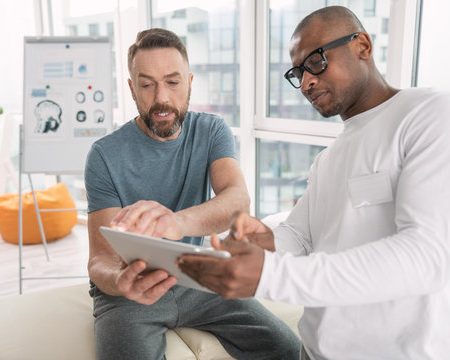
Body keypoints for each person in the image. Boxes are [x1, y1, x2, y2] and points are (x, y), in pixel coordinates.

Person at [178, 6, 450, 360]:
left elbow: (426, 258)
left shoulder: (433, 116)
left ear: (363, 46)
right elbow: (302, 235)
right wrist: (265, 241)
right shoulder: (329, 157)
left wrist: (270, 274)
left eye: (316, 61)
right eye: (298, 72)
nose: (306, 81)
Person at [84, 28, 300, 359]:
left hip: (194, 277)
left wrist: (176, 223)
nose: (162, 98)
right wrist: (120, 280)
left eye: (173, 82)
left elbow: (237, 199)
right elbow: (100, 259)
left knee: (287, 349)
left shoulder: (212, 130)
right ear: (131, 88)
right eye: (147, 84)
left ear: (190, 81)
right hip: (129, 294)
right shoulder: (103, 155)